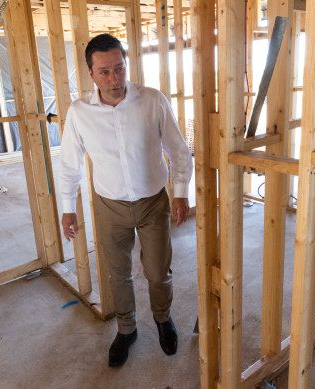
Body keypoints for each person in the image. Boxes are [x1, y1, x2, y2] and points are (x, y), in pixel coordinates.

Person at [58, 34, 193, 368]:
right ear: (91, 73)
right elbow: (69, 164)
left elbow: (178, 149)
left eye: (119, 68)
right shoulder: (79, 113)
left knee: (158, 270)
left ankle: (163, 319)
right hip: (109, 205)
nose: (114, 79)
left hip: (152, 202)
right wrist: (67, 209)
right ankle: (127, 328)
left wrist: (180, 192)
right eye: (104, 72)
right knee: (117, 274)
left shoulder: (152, 100)